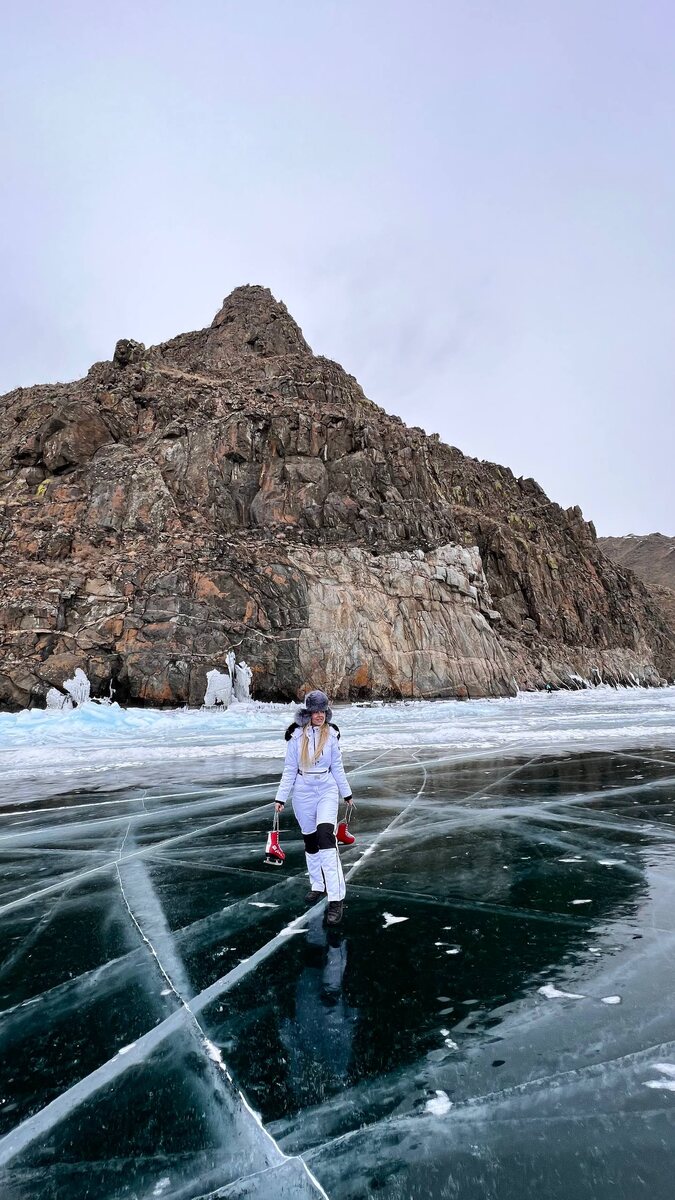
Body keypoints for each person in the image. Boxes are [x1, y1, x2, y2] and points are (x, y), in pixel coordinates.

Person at [274, 690, 353, 925]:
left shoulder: (332, 734)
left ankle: (336, 899)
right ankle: (318, 885)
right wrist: (280, 798)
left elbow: (337, 766)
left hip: (326, 789)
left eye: (322, 711)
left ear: (326, 711)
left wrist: (346, 792)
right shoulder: (296, 736)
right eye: (314, 711)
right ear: (308, 712)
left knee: (325, 838)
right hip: (302, 791)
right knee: (310, 840)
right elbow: (289, 769)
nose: (319, 715)